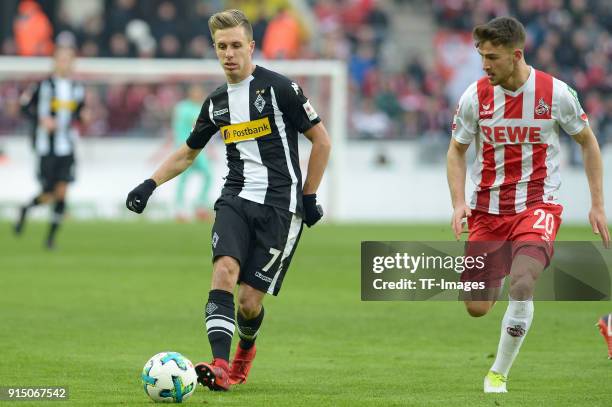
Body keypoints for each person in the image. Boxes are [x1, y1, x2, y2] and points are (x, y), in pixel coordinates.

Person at [126, 9, 331, 391]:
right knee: (223, 271)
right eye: (222, 46)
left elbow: (322, 140)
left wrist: (310, 196)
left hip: (280, 207)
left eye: (236, 45)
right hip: (235, 199)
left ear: (251, 47)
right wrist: (149, 184)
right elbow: (188, 153)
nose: (229, 53)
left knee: (249, 304)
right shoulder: (216, 103)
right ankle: (219, 365)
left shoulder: (281, 89)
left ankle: (244, 350)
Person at [446, 17, 609, 393]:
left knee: (522, 284)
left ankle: (497, 374)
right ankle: (505, 267)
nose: (485, 65)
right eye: (481, 57)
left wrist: (597, 205)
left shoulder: (555, 93)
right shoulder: (475, 96)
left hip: (538, 205)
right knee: (476, 307)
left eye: (492, 58)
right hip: (487, 210)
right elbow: (456, 151)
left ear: (516, 55)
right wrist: (458, 204)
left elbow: (588, 142)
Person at [15, 43, 85, 249]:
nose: (65, 64)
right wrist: (41, 119)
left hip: (67, 146)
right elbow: (24, 107)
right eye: (62, 59)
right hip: (46, 148)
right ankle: (25, 210)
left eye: (69, 60)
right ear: (55, 62)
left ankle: (50, 239)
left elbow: (79, 113)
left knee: (62, 192)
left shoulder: (77, 88)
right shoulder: (42, 86)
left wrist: (84, 116)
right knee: (48, 194)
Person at [172, 84, 214, 221]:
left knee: (207, 175)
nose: (198, 94)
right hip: (185, 148)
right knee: (184, 178)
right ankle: (180, 210)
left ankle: (200, 207)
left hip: (198, 149)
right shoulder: (184, 107)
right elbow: (198, 123)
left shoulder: (197, 107)